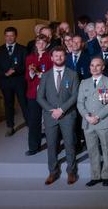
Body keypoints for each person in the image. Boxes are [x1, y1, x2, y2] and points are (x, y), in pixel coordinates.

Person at [37, 47, 80, 185]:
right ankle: (53, 172)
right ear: (52, 58)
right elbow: (40, 97)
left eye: (61, 56)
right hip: (50, 116)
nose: (59, 58)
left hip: (67, 115)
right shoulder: (45, 75)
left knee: (69, 143)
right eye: (56, 56)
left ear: (65, 57)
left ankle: (71, 171)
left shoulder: (73, 74)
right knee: (51, 144)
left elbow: (75, 96)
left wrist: (61, 109)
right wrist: (52, 110)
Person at [76, 57, 108, 187]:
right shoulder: (84, 82)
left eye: (98, 65)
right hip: (88, 122)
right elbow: (79, 103)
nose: (94, 68)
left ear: (103, 67)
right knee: (92, 150)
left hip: (104, 121)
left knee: (107, 149)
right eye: (92, 65)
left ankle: (106, 175)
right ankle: (95, 175)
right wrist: (87, 116)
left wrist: (98, 117)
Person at [0, 26, 28, 137]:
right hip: (5, 83)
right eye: (7, 36)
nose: (9, 38)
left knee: (24, 103)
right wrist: (5, 73)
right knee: (8, 105)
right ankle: (10, 126)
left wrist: (15, 71)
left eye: (11, 35)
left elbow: (26, 66)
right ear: (4, 36)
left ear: (15, 36)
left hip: (19, 82)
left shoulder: (23, 49)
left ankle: (30, 124)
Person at [24, 35, 51, 155]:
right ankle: (34, 147)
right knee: (34, 121)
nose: (40, 45)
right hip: (33, 94)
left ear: (47, 44)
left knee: (50, 121)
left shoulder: (51, 57)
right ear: (35, 44)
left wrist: (41, 75)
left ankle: (53, 145)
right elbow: (26, 78)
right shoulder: (29, 58)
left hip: (48, 94)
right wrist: (31, 73)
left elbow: (52, 75)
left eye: (43, 42)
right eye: (38, 42)